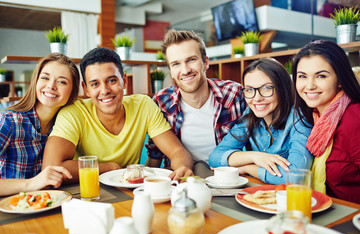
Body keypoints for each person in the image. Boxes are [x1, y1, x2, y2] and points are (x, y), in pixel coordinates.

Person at [42, 47, 193, 182]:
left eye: (112, 80)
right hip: (86, 192)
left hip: (130, 191)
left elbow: (177, 151)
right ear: (86, 89)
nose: (105, 90)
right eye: (95, 84)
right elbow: (51, 167)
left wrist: (181, 168)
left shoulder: (143, 105)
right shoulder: (74, 113)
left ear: (124, 81)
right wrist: (109, 167)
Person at [146, 29, 246, 178]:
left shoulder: (234, 95)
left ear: (205, 62)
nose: (185, 70)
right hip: (183, 182)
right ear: (171, 71)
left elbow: (257, 142)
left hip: (228, 180)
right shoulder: (161, 103)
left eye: (191, 60)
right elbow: (155, 155)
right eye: (176, 64)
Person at [209, 58, 313, 185]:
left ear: (283, 88)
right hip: (259, 194)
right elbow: (214, 158)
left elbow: (294, 177)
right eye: (249, 89)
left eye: (267, 88)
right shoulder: (250, 115)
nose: (257, 98)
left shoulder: (299, 118)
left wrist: (247, 168)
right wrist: (255, 157)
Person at [0, 53, 80, 196]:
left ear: (73, 91)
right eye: (45, 78)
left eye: (62, 82)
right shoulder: (9, 121)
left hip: (49, 205)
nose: (51, 86)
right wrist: (31, 183)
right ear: (35, 81)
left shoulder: (66, 128)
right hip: (11, 210)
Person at [292, 40, 360, 203]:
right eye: (302, 76)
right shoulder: (313, 118)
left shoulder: (355, 118)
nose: (309, 85)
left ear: (340, 79)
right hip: (326, 211)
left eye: (321, 76)